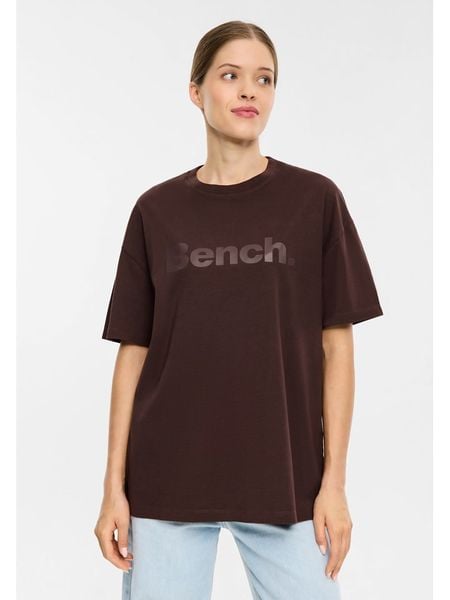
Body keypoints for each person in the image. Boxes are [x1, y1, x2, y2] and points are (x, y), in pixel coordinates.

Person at [94, 20, 384, 600]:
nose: (250, 90)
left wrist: (334, 484)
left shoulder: (315, 200)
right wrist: (113, 488)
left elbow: (337, 347)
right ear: (196, 91)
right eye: (230, 75)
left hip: (285, 480)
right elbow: (134, 352)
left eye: (264, 79)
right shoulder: (156, 210)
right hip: (167, 477)